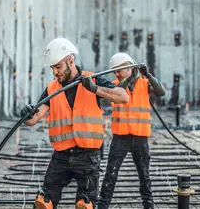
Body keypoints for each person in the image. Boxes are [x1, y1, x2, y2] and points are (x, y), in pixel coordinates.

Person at [21, 38, 129, 209]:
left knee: (84, 204)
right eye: (52, 68)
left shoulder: (93, 80)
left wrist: (95, 89)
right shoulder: (51, 89)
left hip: (87, 155)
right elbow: (34, 118)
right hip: (61, 155)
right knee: (44, 202)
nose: (55, 72)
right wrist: (27, 114)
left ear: (71, 61)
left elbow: (123, 96)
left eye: (58, 67)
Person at [97, 53, 166, 209]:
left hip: (140, 138)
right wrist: (128, 79)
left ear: (128, 67)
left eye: (118, 70)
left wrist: (147, 74)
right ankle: (102, 205)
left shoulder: (145, 83)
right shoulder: (115, 85)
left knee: (144, 176)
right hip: (120, 137)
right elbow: (116, 93)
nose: (116, 74)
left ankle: (149, 205)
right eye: (114, 71)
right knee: (110, 174)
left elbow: (161, 92)